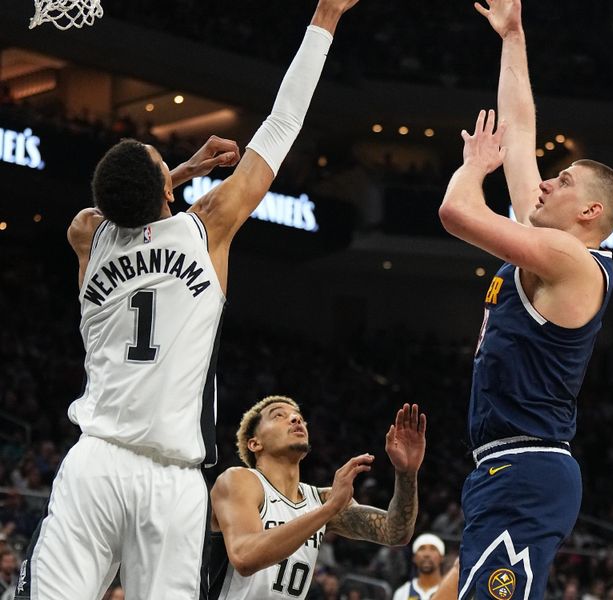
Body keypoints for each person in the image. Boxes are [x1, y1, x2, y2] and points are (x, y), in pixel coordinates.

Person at [15, 0, 361, 598]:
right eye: (161, 163)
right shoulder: (206, 228)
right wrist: (325, 18)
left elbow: (110, 209)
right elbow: (280, 126)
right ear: (164, 192)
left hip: (95, 461)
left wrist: (174, 174)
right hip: (171, 479)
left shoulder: (87, 240)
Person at [436, 1, 613, 599]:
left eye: (564, 181)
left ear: (592, 212)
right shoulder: (547, 246)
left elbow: (456, 213)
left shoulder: (570, 259)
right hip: (509, 464)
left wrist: (473, 167)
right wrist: (513, 37)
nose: (546, 180)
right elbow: (520, 135)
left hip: (527, 464)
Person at [208, 398, 426, 599]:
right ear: (255, 444)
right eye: (278, 416)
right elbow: (245, 557)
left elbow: (395, 533)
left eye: (300, 417)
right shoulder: (239, 480)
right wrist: (330, 509)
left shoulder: (319, 499)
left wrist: (406, 474)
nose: (296, 419)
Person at [392, 534, 445, 600]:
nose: (427, 554)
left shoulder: (452, 589)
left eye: (433, 549)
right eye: (421, 548)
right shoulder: (402, 592)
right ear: (414, 558)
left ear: (442, 557)